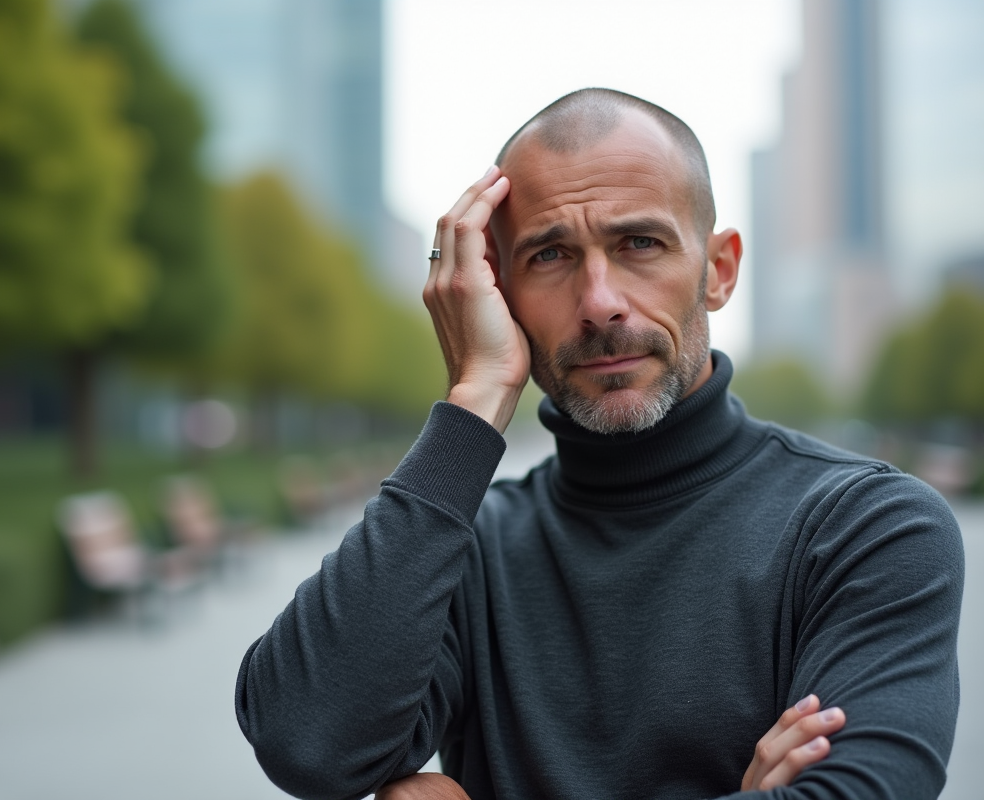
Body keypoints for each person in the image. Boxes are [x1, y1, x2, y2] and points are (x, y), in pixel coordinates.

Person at [234, 89, 964, 800]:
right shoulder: (459, 549)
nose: (598, 302)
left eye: (639, 243)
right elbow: (307, 744)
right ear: (495, 290)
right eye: (549, 256)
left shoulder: (868, 528)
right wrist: (478, 394)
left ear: (719, 269)